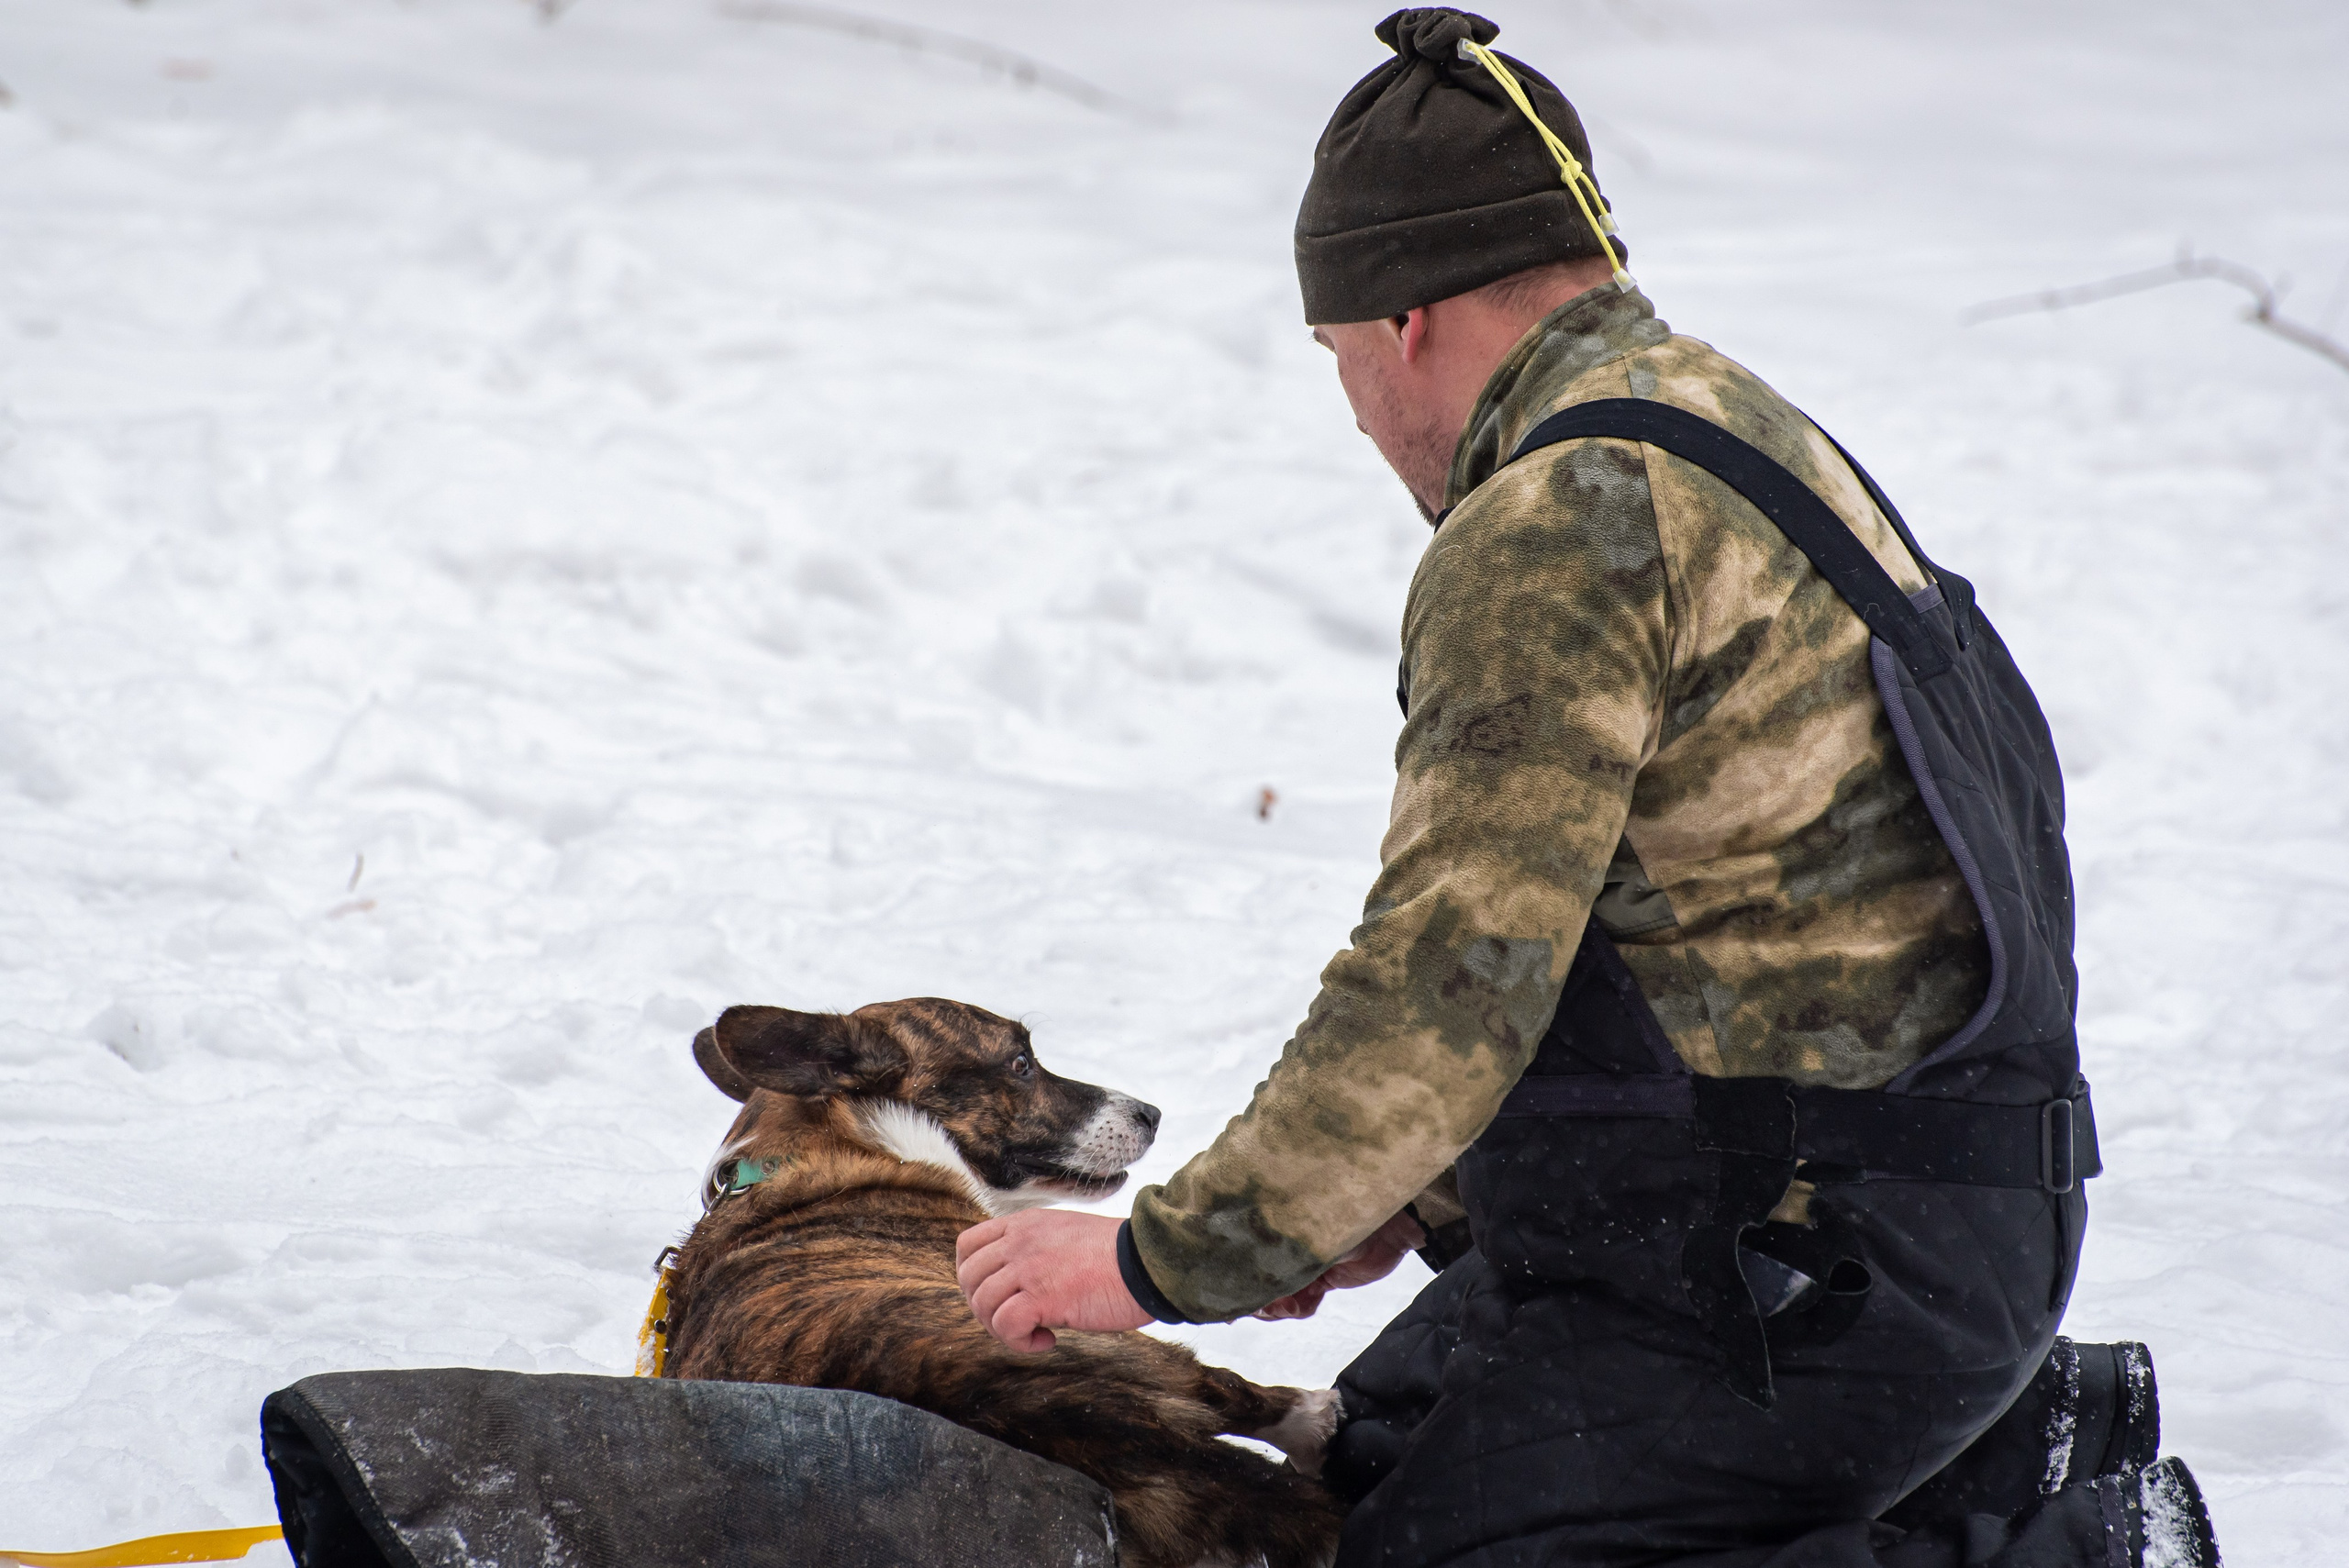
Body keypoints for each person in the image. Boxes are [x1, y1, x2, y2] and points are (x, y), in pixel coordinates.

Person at [956, 11, 2220, 1566]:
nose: (1353, 406)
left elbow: (1449, 978)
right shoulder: (1731, 427)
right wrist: (1399, 1204)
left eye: (1338, 357)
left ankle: (2071, 1542)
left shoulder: (1553, 524)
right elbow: (1711, 924)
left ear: (1403, 318)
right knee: (1371, 1458)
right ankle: (2003, 1428)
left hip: (1815, 1262)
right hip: (1895, 1209)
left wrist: (1156, 1261)